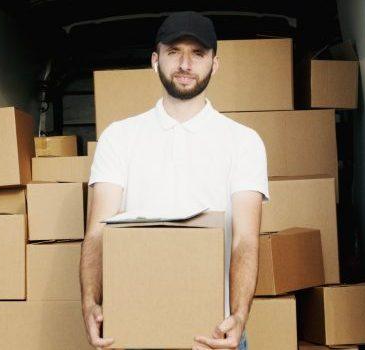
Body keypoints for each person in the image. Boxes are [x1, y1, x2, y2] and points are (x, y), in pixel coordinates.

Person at [80, 11, 269, 350]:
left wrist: (239, 316)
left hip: (214, 334)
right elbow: (97, 232)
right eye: (174, 51)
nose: (185, 63)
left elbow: (245, 240)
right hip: (132, 333)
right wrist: (90, 302)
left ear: (215, 64)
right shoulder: (119, 137)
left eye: (197, 53)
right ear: (155, 60)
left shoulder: (243, 142)